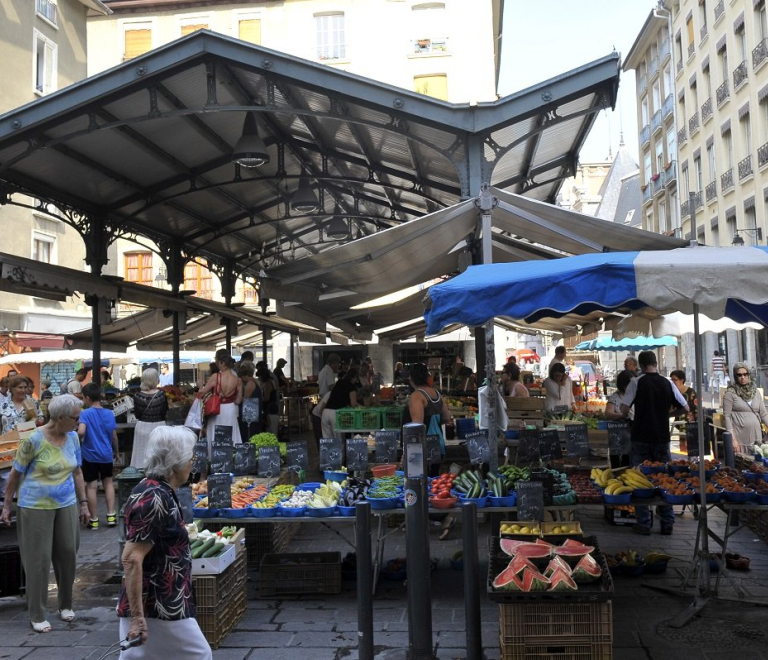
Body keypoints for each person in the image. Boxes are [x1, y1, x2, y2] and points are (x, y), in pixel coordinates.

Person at [117, 426, 212, 660]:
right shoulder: (154, 497)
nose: (193, 463)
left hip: (162, 602)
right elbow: (131, 558)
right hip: (158, 605)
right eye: (190, 457)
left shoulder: (158, 490)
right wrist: (138, 618)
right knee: (200, 655)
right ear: (175, 461)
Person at [0, 394, 89, 633]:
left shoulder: (72, 438)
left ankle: (65, 604)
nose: (79, 422)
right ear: (59, 417)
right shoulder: (33, 440)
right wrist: (7, 505)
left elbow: (78, 472)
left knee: (68, 552)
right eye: (75, 418)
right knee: (38, 559)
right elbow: (15, 475)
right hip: (35, 506)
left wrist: (84, 503)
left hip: (66, 503)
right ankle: (37, 613)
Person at [621, 351, 688, 536]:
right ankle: (667, 523)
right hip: (662, 438)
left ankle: (644, 524)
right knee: (664, 480)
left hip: (640, 436)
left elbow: (625, 407)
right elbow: (685, 407)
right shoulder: (667, 383)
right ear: (656, 363)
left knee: (640, 480)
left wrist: (627, 414)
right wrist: (667, 415)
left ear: (641, 365)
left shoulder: (636, 382)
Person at [404, 363, 453, 537]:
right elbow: (447, 417)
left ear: (411, 379)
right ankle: (440, 517)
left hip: (423, 447)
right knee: (434, 483)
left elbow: (417, 425)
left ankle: (430, 519)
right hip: (438, 444)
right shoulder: (437, 394)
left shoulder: (417, 396)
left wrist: (407, 452)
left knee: (421, 484)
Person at [78, 383, 118, 530]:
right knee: (108, 483)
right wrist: (117, 452)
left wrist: (77, 438)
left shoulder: (85, 413)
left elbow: (81, 432)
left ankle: (94, 520)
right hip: (106, 455)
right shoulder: (109, 413)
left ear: (87, 398)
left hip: (90, 455)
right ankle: (111, 515)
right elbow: (114, 436)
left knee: (92, 486)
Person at [198, 349, 243, 449]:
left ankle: (214, 457)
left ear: (221, 362)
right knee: (231, 435)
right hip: (231, 409)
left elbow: (201, 393)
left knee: (215, 434)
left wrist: (200, 385)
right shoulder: (237, 380)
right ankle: (231, 456)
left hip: (217, 409)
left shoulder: (216, 377)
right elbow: (238, 400)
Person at [723, 362, 768, 454]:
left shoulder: (755, 392)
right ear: (735, 376)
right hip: (740, 440)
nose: (742, 377)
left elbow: (763, 414)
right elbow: (727, 416)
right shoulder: (730, 393)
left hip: (756, 439)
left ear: (749, 375)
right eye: (739, 375)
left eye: (745, 374)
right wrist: (732, 439)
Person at [130, 369, 169, 469]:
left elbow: (137, 415)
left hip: (142, 426)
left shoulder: (137, 396)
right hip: (159, 427)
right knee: (159, 456)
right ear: (155, 379)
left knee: (140, 455)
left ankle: (141, 477)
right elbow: (165, 412)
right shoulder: (161, 395)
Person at [604, 370, 634, 468]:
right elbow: (608, 413)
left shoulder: (635, 395)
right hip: (617, 433)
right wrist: (622, 415)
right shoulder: (615, 397)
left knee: (629, 458)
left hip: (632, 433)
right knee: (616, 460)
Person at [322, 367, 360, 439]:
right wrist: (362, 407)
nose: (357, 381)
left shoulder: (339, 383)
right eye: (356, 379)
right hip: (336, 414)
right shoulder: (351, 387)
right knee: (339, 442)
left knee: (327, 442)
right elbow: (353, 403)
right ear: (354, 377)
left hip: (326, 412)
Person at [238, 361, 261, 441]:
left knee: (248, 435)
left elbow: (245, 399)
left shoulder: (250, 384)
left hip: (249, 415)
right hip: (254, 413)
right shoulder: (255, 381)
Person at [256, 366, 279, 435]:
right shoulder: (272, 381)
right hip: (273, 407)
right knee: (273, 427)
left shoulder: (267, 384)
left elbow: (266, 398)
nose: (259, 378)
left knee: (269, 427)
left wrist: (258, 400)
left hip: (268, 408)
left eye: (259, 376)